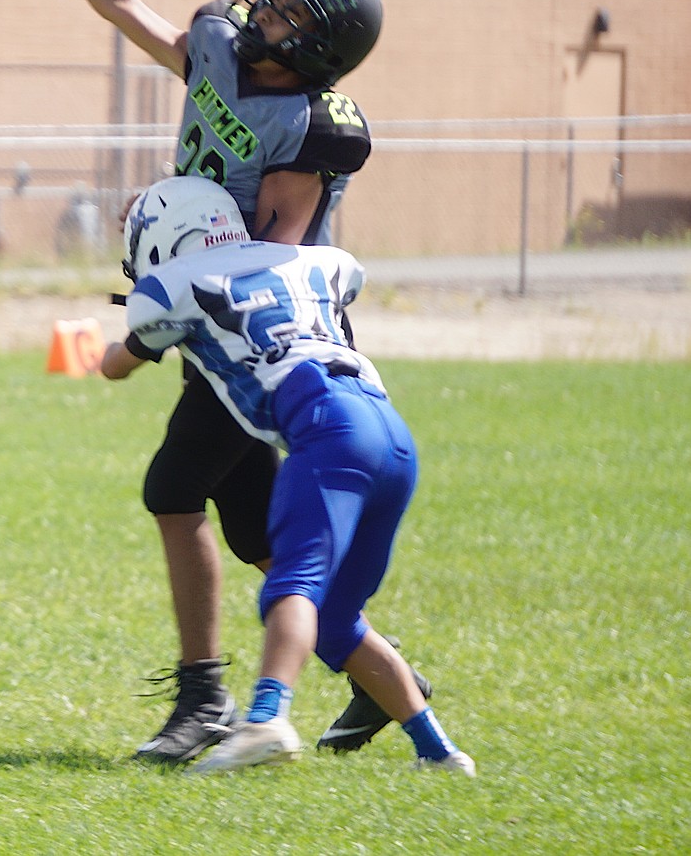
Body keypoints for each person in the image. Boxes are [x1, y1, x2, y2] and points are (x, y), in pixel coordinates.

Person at [0, 0, 428, 764]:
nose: (263, 10)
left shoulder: (309, 130)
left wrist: (172, 291)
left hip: (265, 334)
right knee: (257, 535)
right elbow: (119, 2)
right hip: (212, 318)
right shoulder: (214, 50)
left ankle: (204, 700)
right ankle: (381, 678)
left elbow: (272, 260)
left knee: (172, 487)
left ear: (319, 48)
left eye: (289, 11)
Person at [102, 176, 475, 777]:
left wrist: (138, 336)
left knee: (291, 586)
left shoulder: (179, 285)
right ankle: (438, 750)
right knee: (334, 616)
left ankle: (267, 717)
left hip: (325, 429)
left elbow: (114, 367)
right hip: (390, 432)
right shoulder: (311, 262)